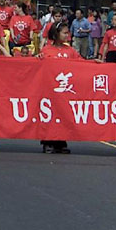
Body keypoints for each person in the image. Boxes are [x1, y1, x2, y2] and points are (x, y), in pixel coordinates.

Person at [38, 22, 79, 153]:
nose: (67, 35)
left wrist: (96, 63)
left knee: (63, 115)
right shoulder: (46, 50)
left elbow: (82, 64)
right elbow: (38, 67)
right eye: (64, 33)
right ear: (56, 34)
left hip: (65, 92)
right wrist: (38, 59)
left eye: (68, 32)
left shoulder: (70, 51)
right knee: (49, 115)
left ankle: (61, 142)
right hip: (49, 90)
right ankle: (47, 142)